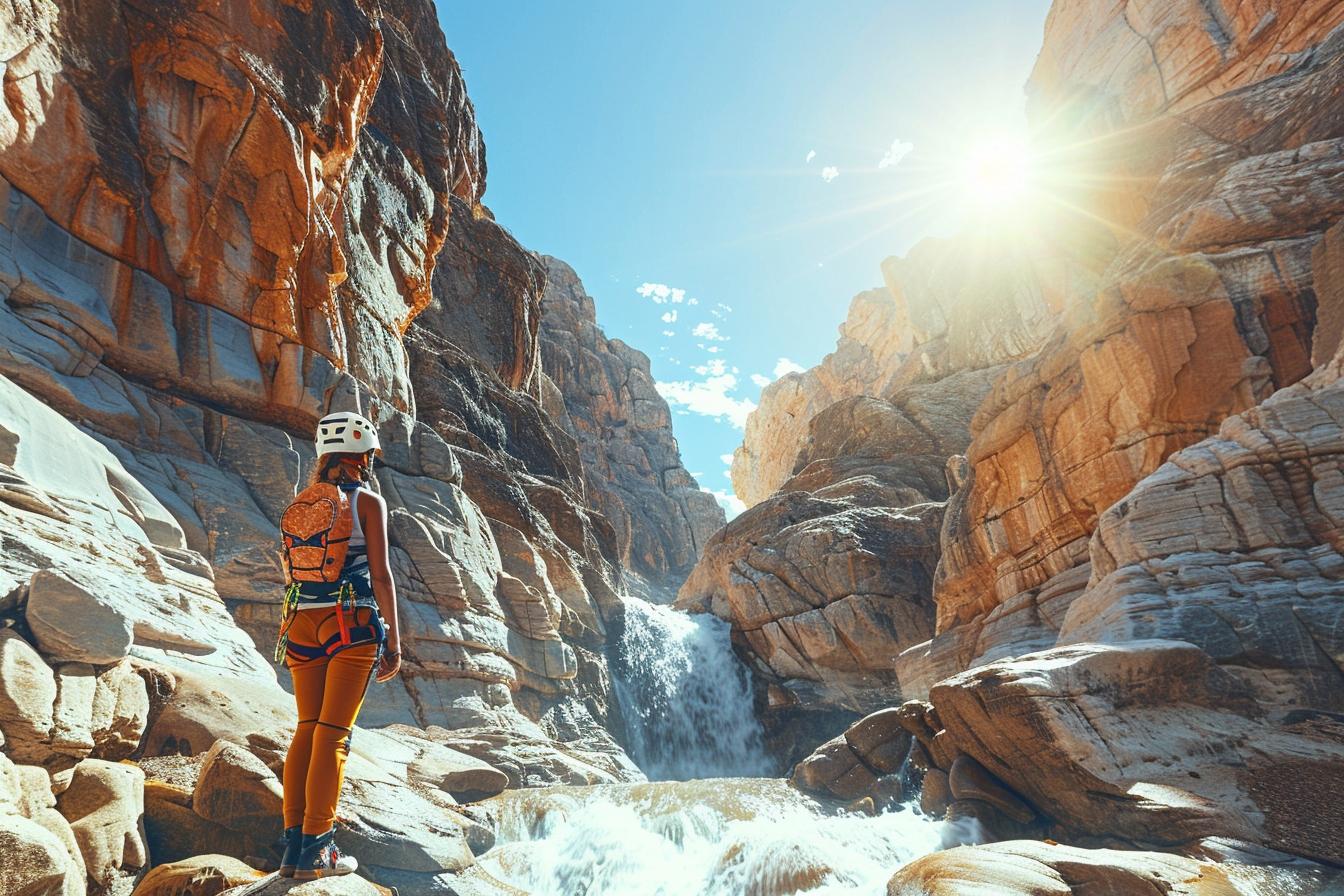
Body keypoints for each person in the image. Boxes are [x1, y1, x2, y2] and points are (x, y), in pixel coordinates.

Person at [275, 411, 402, 880]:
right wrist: (394, 641)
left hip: (300, 625)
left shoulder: (302, 500)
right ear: (361, 456)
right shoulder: (366, 501)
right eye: (369, 455)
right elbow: (382, 575)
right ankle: (319, 850)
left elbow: (291, 570)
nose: (370, 462)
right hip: (350, 623)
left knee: (307, 728)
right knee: (334, 734)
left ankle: (292, 851)